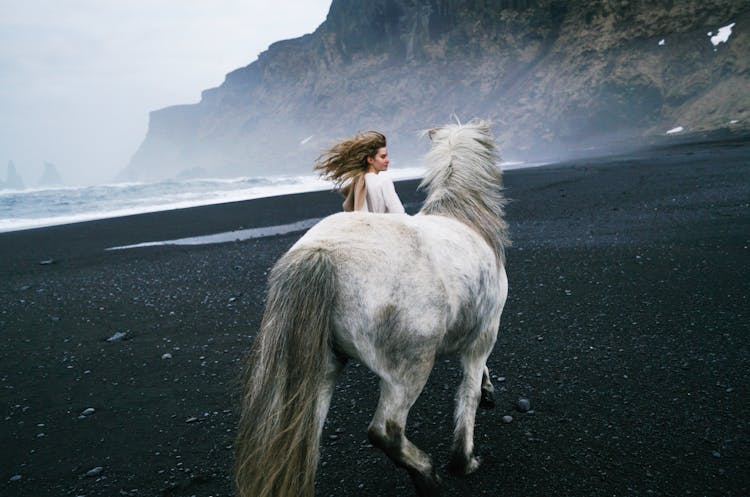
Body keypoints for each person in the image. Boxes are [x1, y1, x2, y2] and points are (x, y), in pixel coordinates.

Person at [314, 130, 405, 213]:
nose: (387, 160)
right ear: (370, 160)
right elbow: (399, 212)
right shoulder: (384, 181)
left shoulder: (358, 182)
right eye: (383, 157)